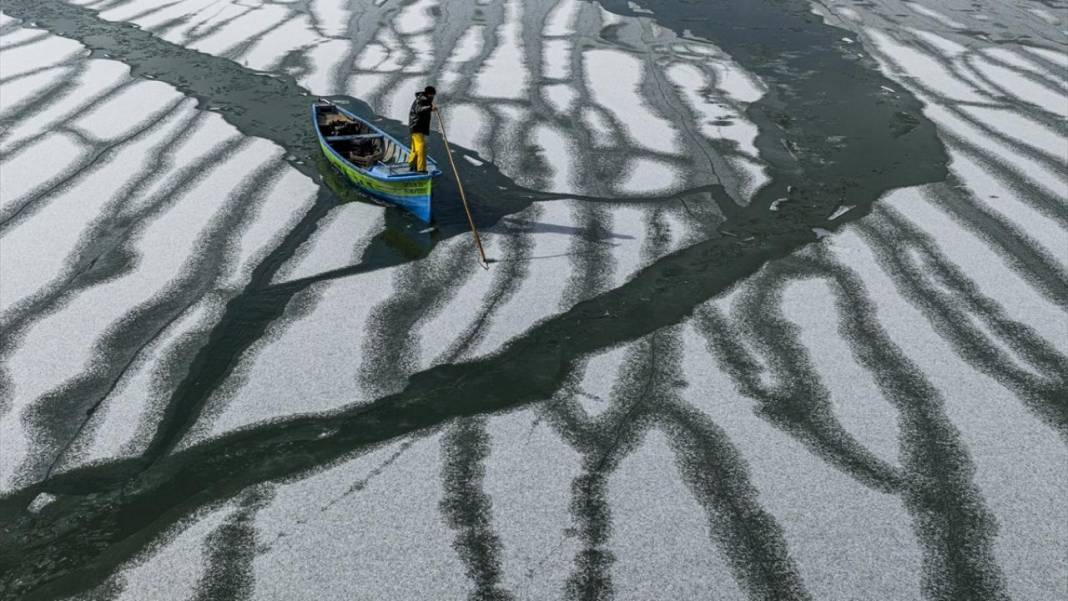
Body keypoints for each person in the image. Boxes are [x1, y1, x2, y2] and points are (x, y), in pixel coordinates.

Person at [408, 85, 436, 173]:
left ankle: (412, 165)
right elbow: (419, 110)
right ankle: (421, 169)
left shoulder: (425, 100)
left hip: (418, 128)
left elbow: (423, 110)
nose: (433, 98)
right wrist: (430, 108)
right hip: (417, 127)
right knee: (421, 147)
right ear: (429, 94)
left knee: (416, 149)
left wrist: (430, 108)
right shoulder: (421, 100)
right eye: (432, 96)